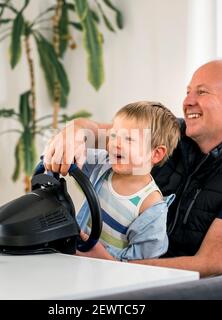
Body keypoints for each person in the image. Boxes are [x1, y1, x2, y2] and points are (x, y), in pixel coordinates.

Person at [44, 59, 222, 277]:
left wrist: (111, 265)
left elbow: (211, 264)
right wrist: (74, 130)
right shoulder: (171, 133)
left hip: (172, 289)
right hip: (104, 269)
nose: (187, 101)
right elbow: (97, 133)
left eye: (201, 92)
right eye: (188, 91)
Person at [72, 101, 180, 261]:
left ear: (156, 154)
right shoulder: (103, 163)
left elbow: (142, 265)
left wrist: (105, 258)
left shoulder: (150, 206)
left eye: (128, 139)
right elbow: (70, 156)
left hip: (112, 278)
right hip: (75, 260)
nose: (116, 143)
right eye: (114, 135)